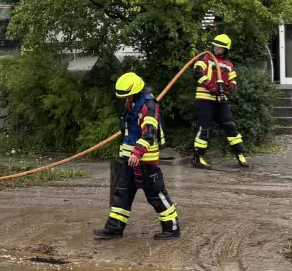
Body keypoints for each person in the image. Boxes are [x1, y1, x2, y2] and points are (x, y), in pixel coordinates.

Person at [94, 72, 180, 240]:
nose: (126, 98)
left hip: (145, 161)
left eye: (128, 95)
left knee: (156, 195)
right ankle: (114, 228)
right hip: (129, 160)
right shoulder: (132, 103)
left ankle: (172, 228)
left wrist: (137, 152)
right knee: (122, 194)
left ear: (136, 91)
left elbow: (149, 133)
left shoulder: (148, 105)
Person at [192, 34, 249, 169]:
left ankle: (240, 155)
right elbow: (197, 73)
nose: (217, 49)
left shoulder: (229, 65)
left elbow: (233, 79)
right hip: (204, 99)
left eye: (221, 47)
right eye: (216, 46)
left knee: (230, 125)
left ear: (226, 50)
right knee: (204, 128)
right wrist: (210, 86)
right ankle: (197, 158)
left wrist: (232, 86)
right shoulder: (205, 58)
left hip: (221, 99)